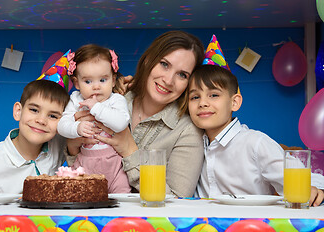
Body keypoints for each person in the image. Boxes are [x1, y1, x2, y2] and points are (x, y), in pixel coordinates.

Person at [68, 30, 206, 197]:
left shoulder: (187, 131)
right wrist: (73, 146)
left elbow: (177, 201)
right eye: (164, 64)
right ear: (148, 61)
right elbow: (75, 174)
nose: (168, 80)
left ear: (188, 83)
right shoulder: (112, 100)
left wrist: (129, 150)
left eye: (182, 75)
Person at [181, 64, 324, 206]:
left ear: (234, 102)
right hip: (202, 225)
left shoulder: (255, 143)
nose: (203, 103)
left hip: (251, 225)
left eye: (214, 95)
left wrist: (317, 190)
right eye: (195, 97)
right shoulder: (191, 144)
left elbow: (310, 182)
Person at [0, 80, 70, 194]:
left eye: (53, 116)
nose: (41, 120)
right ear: (18, 111)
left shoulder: (58, 146)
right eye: (34, 110)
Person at [57, 44, 131, 193]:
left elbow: (121, 123)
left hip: (114, 164)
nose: (96, 87)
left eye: (103, 80)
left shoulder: (115, 100)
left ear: (113, 79)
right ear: (76, 83)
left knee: (123, 198)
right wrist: (76, 128)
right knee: (78, 196)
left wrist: (96, 107)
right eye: (88, 81)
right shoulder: (75, 99)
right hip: (85, 164)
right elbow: (62, 125)